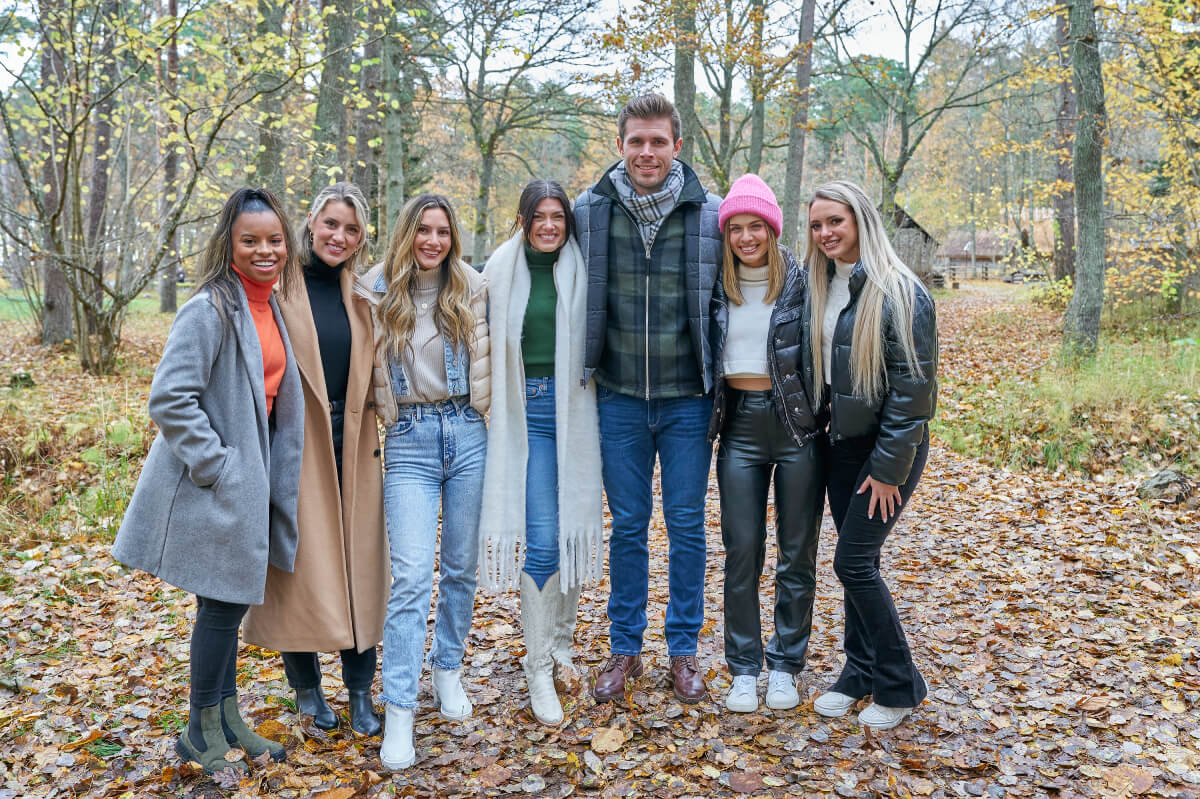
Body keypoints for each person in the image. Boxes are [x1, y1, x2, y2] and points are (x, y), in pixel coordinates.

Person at [112, 188, 304, 773]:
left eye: (274, 240)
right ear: (230, 245)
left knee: (226, 605)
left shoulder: (268, 305)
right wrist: (218, 465)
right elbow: (170, 398)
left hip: (246, 481)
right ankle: (199, 729)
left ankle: (228, 717)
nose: (265, 250)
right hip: (216, 486)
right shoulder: (210, 308)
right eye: (251, 241)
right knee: (221, 609)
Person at [574, 93, 722, 703]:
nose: (646, 152)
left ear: (677, 146)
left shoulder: (710, 214)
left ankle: (683, 650)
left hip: (689, 399)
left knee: (686, 526)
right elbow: (533, 260)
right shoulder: (589, 211)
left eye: (658, 141)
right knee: (629, 525)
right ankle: (625, 647)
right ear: (620, 145)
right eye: (636, 140)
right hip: (620, 397)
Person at [242, 182, 388, 736]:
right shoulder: (280, 286)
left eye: (351, 229)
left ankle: (359, 694)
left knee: (361, 569)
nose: (339, 236)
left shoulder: (364, 296)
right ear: (310, 223)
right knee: (299, 569)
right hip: (296, 441)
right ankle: (306, 689)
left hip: (354, 442)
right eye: (331, 224)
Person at [362, 194, 490, 769]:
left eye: (442, 231)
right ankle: (399, 711)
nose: (433, 241)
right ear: (407, 233)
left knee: (460, 567)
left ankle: (448, 670)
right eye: (423, 231)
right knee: (412, 576)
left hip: (467, 430)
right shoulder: (375, 290)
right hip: (409, 438)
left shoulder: (472, 287)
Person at [803, 180, 937, 730]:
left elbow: (912, 393)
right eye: (816, 225)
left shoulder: (902, 292)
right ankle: (858, 671)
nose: (825, 233)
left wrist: (887, 471)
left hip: (888, 450)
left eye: (836, 221)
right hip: (843, 444)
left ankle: (899, 683)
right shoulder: (822, 283)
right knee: (861, 564)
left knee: (852, 563)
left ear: (861, 221)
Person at [478, 180, 603, 726]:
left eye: (558, 216)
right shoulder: (496, 272)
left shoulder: (582, 268)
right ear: (523, 218)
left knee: (574, 531)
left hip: (576, 413)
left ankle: (560, 644)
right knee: (547, 542)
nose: (549, 225)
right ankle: (537, 668)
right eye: (539, 216)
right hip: (523, 417)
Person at [708, 175, 826, 714]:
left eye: (757, 226)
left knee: (796, 554)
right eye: (738, 227)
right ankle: (744, 668)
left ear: (773, 230)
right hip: (738, 428)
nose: (747, 236)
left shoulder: (802, 283)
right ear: (726, 232)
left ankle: (785, 665)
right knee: (742, 552)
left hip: (796, 428)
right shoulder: (714, 285)